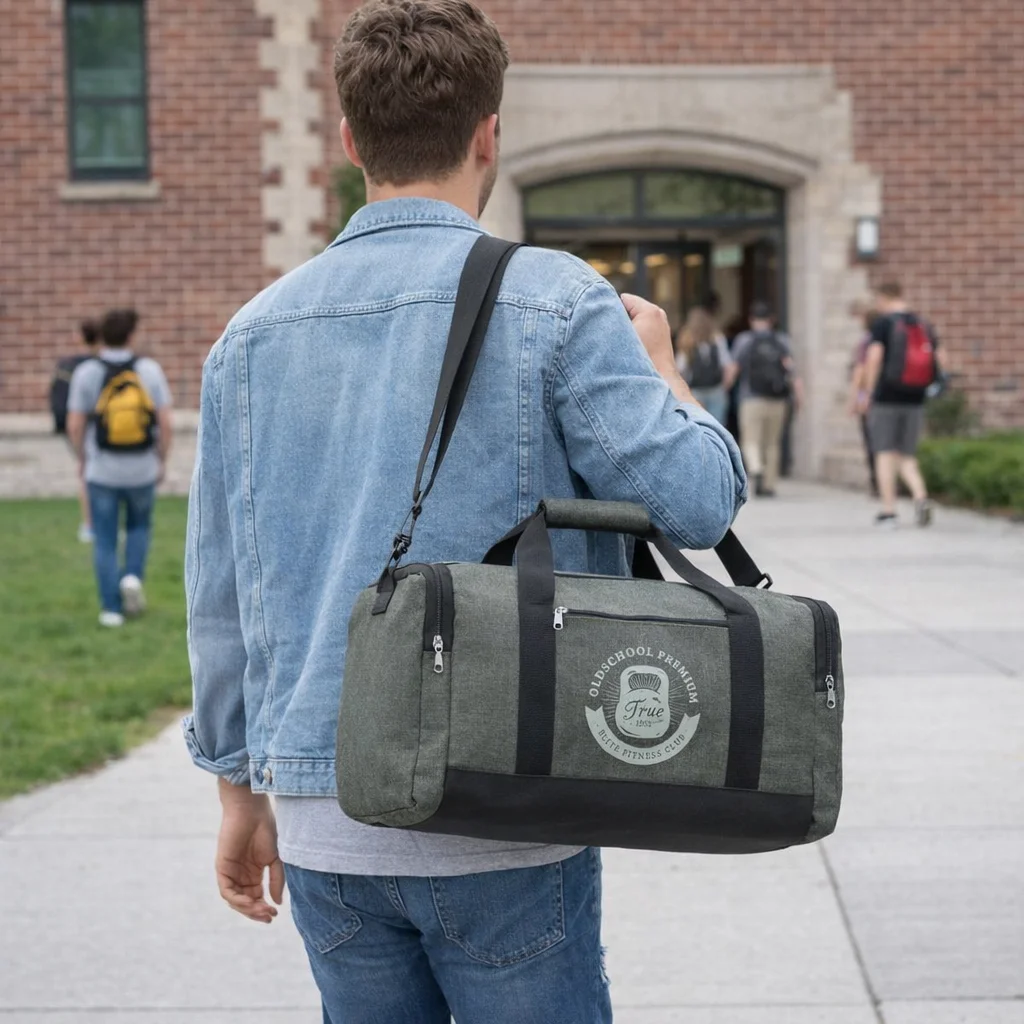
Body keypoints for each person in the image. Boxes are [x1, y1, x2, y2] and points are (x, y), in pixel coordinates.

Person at [183, 2, 747, 1021]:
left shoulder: (250, 335)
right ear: (490, 130)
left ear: (350, 139)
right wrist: (665, 372)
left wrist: (236, 787)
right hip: (505, 802)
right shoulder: (557, 303)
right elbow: (699, 501)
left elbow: (221, 592)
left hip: (323, 809)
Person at [66, 309, 173, 627]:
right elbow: (165, 422)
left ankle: (111, 609)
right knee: (140, 526)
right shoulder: (149, 371)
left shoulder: (87, 373)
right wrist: (161, 459)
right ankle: (132, 577)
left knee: (105, 537)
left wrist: (82, 458)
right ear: (131, 336)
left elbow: (74, 424)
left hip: (102, 471)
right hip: (141, 469)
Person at [861, 280, 942, 527]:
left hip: (887, 397)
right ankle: (921, 497)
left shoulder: (883, 323)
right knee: (907, 455)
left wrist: (867, 392)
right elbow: (940, 358)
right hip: (915, 397)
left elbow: (874, 358)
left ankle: (889, 511)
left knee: (884, 453)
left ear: (884, 297)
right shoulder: (922, 323)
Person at [732, 302, 803, 497]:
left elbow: (734, 368)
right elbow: (791, 370)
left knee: (750, 440)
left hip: (751, 399)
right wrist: (798, 396)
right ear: (771, 320)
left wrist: (727, 386)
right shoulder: (781, 340)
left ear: (751, 320)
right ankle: (769, 485)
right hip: (777, 399)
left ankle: (756, 467)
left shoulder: (744, 340)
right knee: (772, 443)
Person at [50, 319, 102, 542]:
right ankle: (105, 523)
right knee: (102, 476)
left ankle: (89, 525)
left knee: (84, 472)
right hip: (102, 427)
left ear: (80, 336)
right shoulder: (102, 365)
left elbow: (59, 400)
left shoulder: (67, 365)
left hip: (75, 426)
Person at [674, 305, 737, 425]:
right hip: (716, 388)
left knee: (697, 425)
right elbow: (728, 364)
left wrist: (683, 391)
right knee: (718, 425)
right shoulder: (717, 338)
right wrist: (725, 386)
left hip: (695, 390)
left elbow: (679, 368)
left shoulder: (686, 340)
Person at [847, 305, 880, 497]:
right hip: (887, 397)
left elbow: (860, 372)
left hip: (868, 397)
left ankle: (877, 483)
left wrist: (854, 400)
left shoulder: (866, 341)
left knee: (871, 442)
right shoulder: (888, 339)